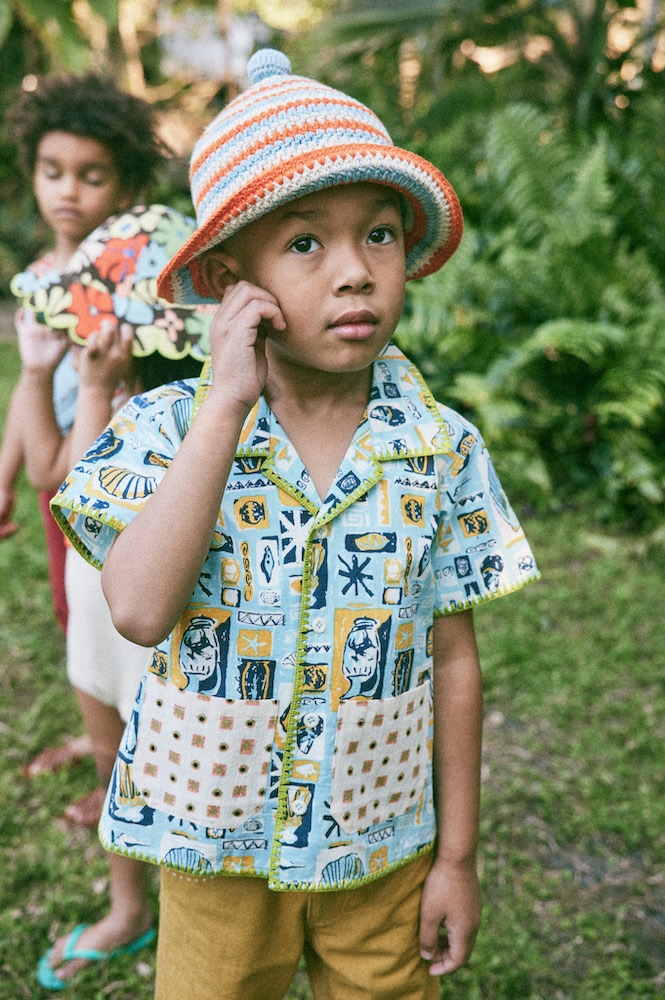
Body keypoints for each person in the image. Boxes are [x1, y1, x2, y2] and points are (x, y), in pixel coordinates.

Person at [51, 49, 540, 1000]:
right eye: (306, 243)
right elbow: (140, 610)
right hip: (213, 840)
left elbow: (453, 657)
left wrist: (458, 859)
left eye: (382, 235)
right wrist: (221, 410)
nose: (356, 273)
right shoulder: (162, 432)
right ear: (236, 278)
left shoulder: (439, 448)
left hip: (381, 843)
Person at [17, 309, 202, 989]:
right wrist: (60, 377)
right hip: (98, 628)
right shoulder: (115, 392)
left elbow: (94, 498)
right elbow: (60, 482)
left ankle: (185, 919)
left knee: (174, 785)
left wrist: (96, 392)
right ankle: (129, 909)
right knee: (112, 775)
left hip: (155, 636)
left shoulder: (199, 414)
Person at [0, 71, 168, 799]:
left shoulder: (129, 278)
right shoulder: (40, 276)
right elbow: (27, 387)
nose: (67, 190)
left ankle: (123, 765)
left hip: (109, 476)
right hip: (55, 458)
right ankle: (98, 730)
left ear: (125, 187)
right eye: (53, 172)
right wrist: (3, 473)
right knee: (75, 619)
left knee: (117, 621)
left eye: (90, 176)